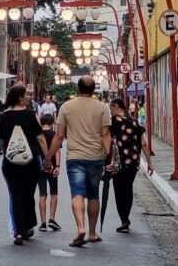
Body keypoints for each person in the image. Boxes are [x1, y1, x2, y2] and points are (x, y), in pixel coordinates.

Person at [45, 76, 112, 247]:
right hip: (96, 157)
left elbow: (59, 135)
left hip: (74, 157)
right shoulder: (103, 107)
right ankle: (92, 233)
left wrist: (48, 157)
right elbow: (105, 134)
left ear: (78, 88)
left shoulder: (66, 107)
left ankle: (80, 228)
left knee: (77, 193)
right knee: (94, 195)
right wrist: (109, 156)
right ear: (93, 89)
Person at [0, 85, 50, 245]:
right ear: (20, 97)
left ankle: (18, 232)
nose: (29, 97)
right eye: (27, 94)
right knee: (28, 194)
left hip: (11, 162)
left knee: (16, 195)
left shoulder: (4, 116)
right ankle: (27, 226)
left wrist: (7, 153)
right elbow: (40, 138)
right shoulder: (31, 114)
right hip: (31, 160)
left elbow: (2, 139)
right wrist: (47, 158)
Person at [108, 97, 154, 233]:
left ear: (117, 107)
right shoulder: (134, 122)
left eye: (111, 108)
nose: (110, 111)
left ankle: (124, 220)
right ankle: (126, 218)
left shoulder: (113, 121)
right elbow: (143, 144)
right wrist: (150, 163)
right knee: (128, 188)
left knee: (118, 190)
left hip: (118, 162)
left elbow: (107, 139)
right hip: (133, 162)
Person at [37, 113, 62, 233]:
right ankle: (52, 219)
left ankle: (43, 222)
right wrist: (57, 166)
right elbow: (57, 152)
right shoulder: (54, 135)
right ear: (52, 123)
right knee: (54, 193)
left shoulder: (37, 135)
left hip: (40, 167)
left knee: (42, 194)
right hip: (52, 167)